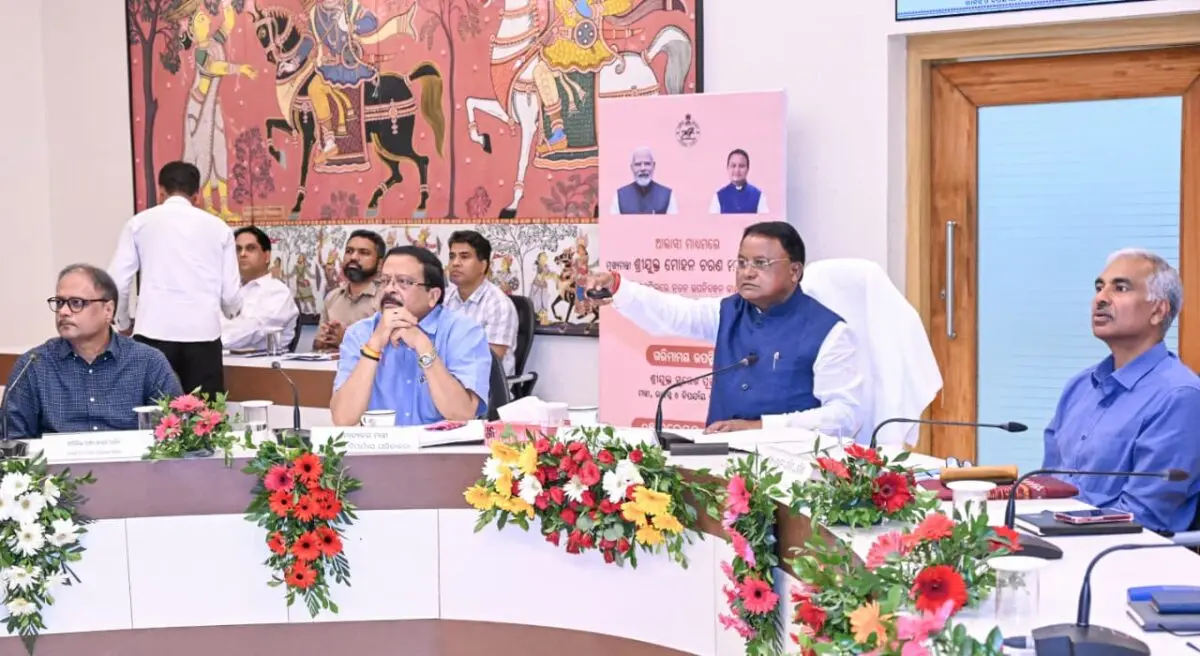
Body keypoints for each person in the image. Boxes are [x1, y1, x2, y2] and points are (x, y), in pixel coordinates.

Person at [585, 221, 863, 436]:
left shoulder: (829, 332)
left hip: (791, 473)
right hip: (720, 467)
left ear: (795, 271)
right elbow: (674, 314)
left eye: (761, 263)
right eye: (741, 263)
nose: (747, 272)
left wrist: (761, 427)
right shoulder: (728, 312)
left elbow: (845, 416)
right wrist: (619, 288)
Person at [1042, 249, 1200, 533]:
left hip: (1119, 548)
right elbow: (1046, 484)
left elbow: (1142, 516)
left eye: (1120, 288)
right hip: (1055, 533)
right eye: (1099, 287)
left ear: (1158, 311)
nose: (1100, 298)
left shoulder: (1179, 396)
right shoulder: (1078, 387)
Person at [108, 161, 242, 397]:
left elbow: (118, 281)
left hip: (153, 332)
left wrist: (123, 322)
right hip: (204, 335)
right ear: (197, 196)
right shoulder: (219, 228)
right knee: (205, 414)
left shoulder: (139, 223)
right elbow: (231, 294)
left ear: (161, 191)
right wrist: (231, 313)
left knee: (152, 412)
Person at [4, 265, 183, 437]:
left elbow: (175, 433)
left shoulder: (148, 362)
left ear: (108, 310)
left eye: (76, 303)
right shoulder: (34, 364)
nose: (64, 312)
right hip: (55, 460)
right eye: (59, 302)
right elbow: (14, 438)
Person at [330, 246, 492, 426]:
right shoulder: (360, 333)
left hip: (440, 444)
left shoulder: (464, 331)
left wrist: (423, 346)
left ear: (433, 296)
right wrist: (374, 346)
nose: (389, 289)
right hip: (382, 443)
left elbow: (463, 414)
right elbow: (343, 419)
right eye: (384, 281)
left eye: (403, 282)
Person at [444, 230, 519, 376]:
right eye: (452, 257)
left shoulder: (499, 305)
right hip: (446, 380)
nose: (455, 263)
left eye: (464, 257)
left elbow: (489, 363)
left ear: (483, 266)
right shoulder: (444, 298)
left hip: (484, 385)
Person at [221, 226, 300, 352]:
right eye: (238, 249)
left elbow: (254, 330)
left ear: (267, 256)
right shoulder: (227, 290)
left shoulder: (277, 292)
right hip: (220, 357)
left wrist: (209, 343)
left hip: (263, 363)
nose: (242, 254)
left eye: (251, 248)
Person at [314, 229, 385, 351]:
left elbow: (391, 352)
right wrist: (321, 342)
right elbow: (317, 347)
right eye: (349, 251)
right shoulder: (332, 297)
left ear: (380, 264)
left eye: (363, 253)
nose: (353, 257)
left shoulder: (386, 299)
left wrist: (347, 339)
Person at [609, 147, 678, 215]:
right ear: (632, 168)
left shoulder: (667, 195)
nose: (643, 168)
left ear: (653, 166)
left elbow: (673, 222)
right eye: (638, 164)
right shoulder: (619, 196)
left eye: (647, 164)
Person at [709, 149, 768, 215]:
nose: (737, 170)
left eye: (741, 166)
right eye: (733, 166)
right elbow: (713, 220)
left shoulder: (758, 196)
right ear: (728, 168)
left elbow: (764, 220)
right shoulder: (718, 197)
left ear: (748, 169)